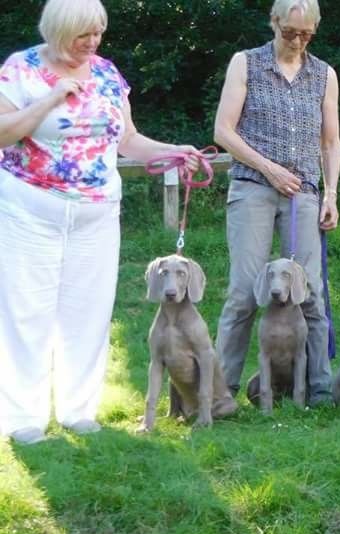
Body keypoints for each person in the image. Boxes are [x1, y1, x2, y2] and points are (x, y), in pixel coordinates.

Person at [0, 0, 200, 445]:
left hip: (97, 214)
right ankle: (22, 418)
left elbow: (127, 139)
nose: (93, 42)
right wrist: (52, 97)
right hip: (30, 209)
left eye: (98, 33)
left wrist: (172, 153)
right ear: (58, 32)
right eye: (83, 35)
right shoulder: (21, 70)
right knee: (26, 311)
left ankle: (78, 411)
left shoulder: (107, 73)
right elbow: (3, 132)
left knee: (87, 312)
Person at [213, 0, 340, 407]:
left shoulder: (324, 74)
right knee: (245, 291)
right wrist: (269, 169)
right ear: (274, 23)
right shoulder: (246, 63)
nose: (297, 41)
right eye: (290, 33)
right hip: (253, 187)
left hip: (304, 192)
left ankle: (320, 390)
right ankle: (220, 392)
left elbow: (330, 142)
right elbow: (223, 131)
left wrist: (330, 195)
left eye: (306, 35)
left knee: (311, 291)